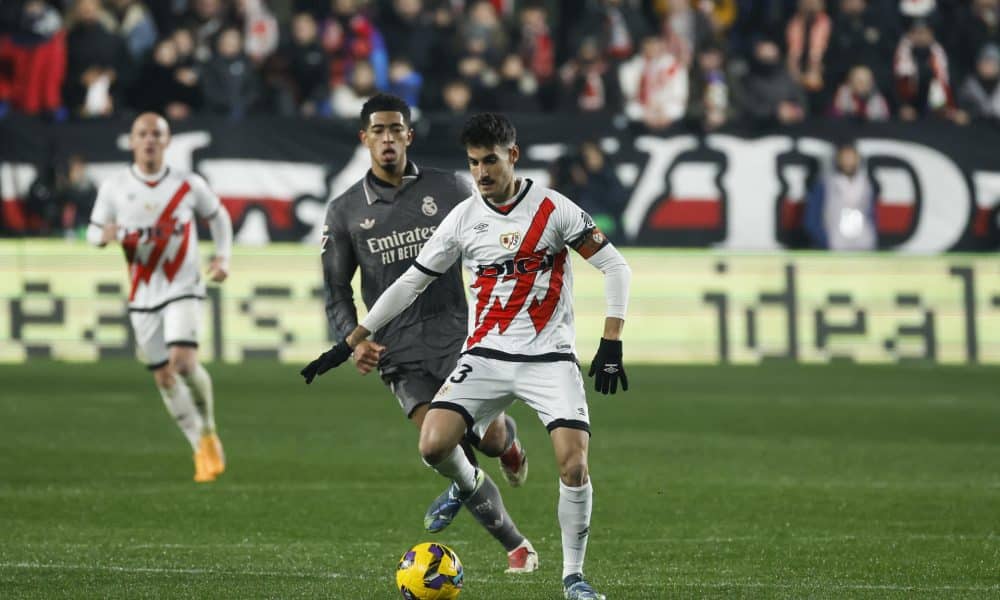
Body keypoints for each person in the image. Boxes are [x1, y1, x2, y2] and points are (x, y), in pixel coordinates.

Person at [302, 113, 631, 600]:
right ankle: (464, 482)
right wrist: (351, 339)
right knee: (432, 445)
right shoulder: (464, 217)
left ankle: (573, 578)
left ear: (512, 156)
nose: (481, 173)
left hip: (549, 358)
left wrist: (611, 341)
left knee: (573, 466)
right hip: (485, 356)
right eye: (474, 163)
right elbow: (412, 282)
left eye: (490, 161)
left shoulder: (554, 210)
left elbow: (615, 267)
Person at [301, 95, 538, 574]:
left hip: (460, 338)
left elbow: (497, 226)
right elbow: (335, 290)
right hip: (399, 353)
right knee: (440, 449)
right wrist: (354, 338)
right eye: (377, 131)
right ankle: (517, 546)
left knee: (486, 439)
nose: (387, 138)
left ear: (409, 135)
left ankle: (507, 442)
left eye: (395, 129)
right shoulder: (345, 211)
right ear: (364, 139)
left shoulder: (451, 187)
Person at [86, 112, 232, 483]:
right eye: (142, 134)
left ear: (167, 142)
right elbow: (92, 230)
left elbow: (219, 217)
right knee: (164, 378)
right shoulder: (115, 186)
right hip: (142, 294)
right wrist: (103, 237)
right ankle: (199, 443)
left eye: (156, 134)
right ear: (131, 141)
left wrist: (222, 256)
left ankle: (210, 428)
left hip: (183, 286)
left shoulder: (186, 184)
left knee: (183, 362)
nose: (149, 140)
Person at [805, 142, 877, 251]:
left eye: (851, 157)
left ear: (858, 159)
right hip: (835, 246)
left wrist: (871, 238)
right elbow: (811, 219)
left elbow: (872, 215)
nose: (848, 161)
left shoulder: (866, 184)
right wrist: (825, 241)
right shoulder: (825, 183)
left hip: (863, 245)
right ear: (837, 159)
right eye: (844, 157)